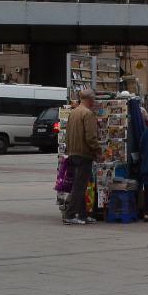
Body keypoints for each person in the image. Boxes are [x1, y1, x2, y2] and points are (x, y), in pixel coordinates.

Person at [62, 90, 101, 225]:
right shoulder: (87, 114)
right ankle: (69, 214)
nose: (94, 102)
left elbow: (67, 135)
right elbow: (91, 137)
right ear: (90, 100)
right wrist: (97, 150)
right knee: (79, 187)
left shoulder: (73, 113)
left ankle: (83, 215)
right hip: (84, 154)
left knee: (80, 185)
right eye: (94, 100)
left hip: (73, 152)